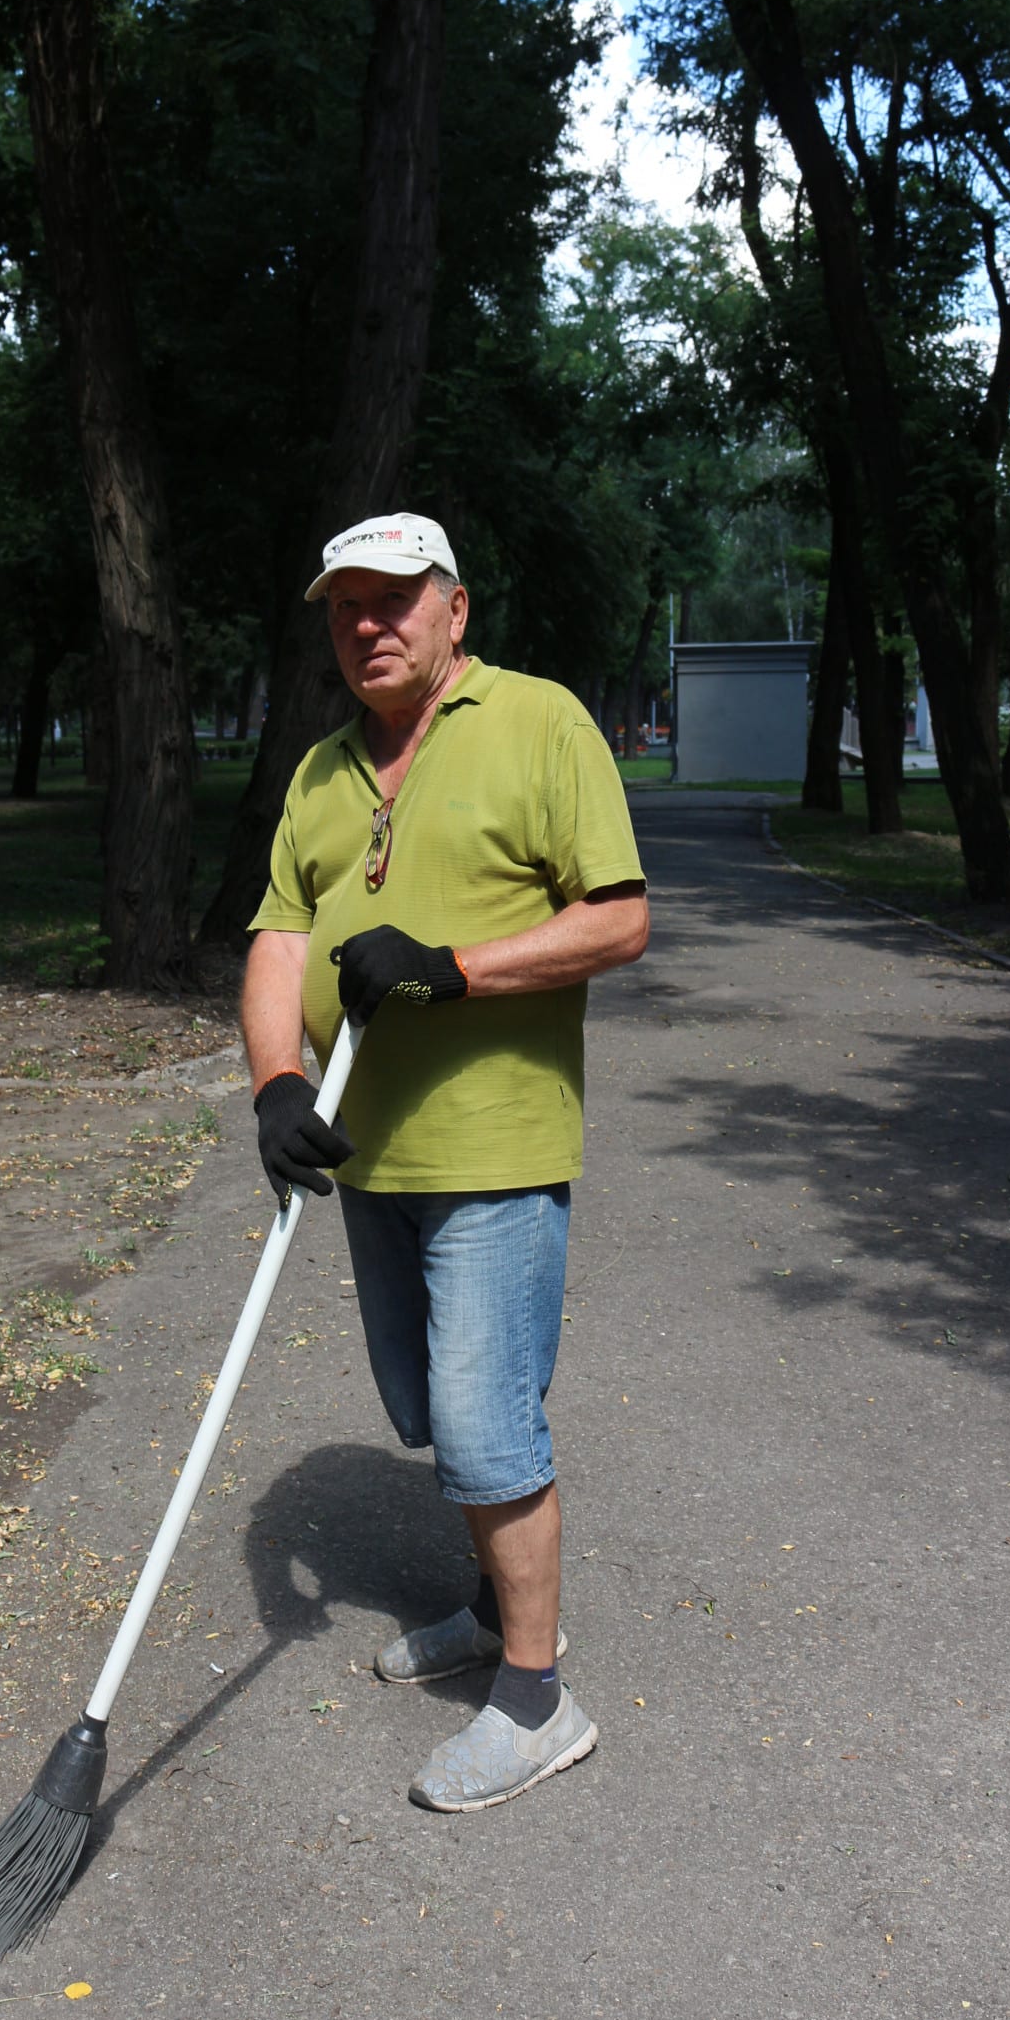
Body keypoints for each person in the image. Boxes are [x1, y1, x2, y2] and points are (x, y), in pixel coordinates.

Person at [240, 511, 648, 1810]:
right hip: (374, 1161)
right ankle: (490, 1602)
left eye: (395, 598)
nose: (369, 622)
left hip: (497, 1151)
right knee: (425, 1415)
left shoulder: (539, 724)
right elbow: (279, 941)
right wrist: (276, 1082)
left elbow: (621, 920)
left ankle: (537, 1699)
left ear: (454, 609)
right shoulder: (318, 775)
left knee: (483, 1424)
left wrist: (453, 968)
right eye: (345, 604)